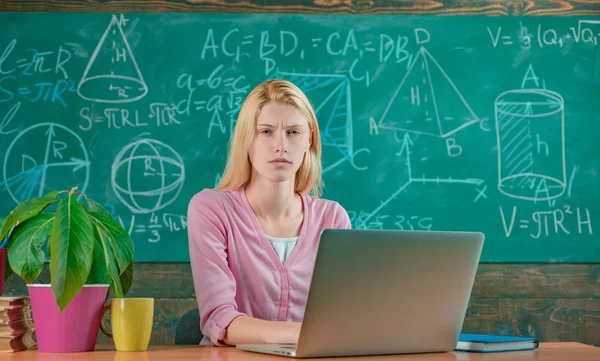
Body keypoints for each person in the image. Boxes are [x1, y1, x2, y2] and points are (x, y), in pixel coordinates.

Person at [187, 79, 352, 347]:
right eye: (265, 131)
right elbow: (220, 319)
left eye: (293, 132)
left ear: (309, 139)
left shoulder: (332, 218)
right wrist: (304, 334)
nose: (281, 146)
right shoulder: (211, 209)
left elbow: (343, 314)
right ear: (247, 140)